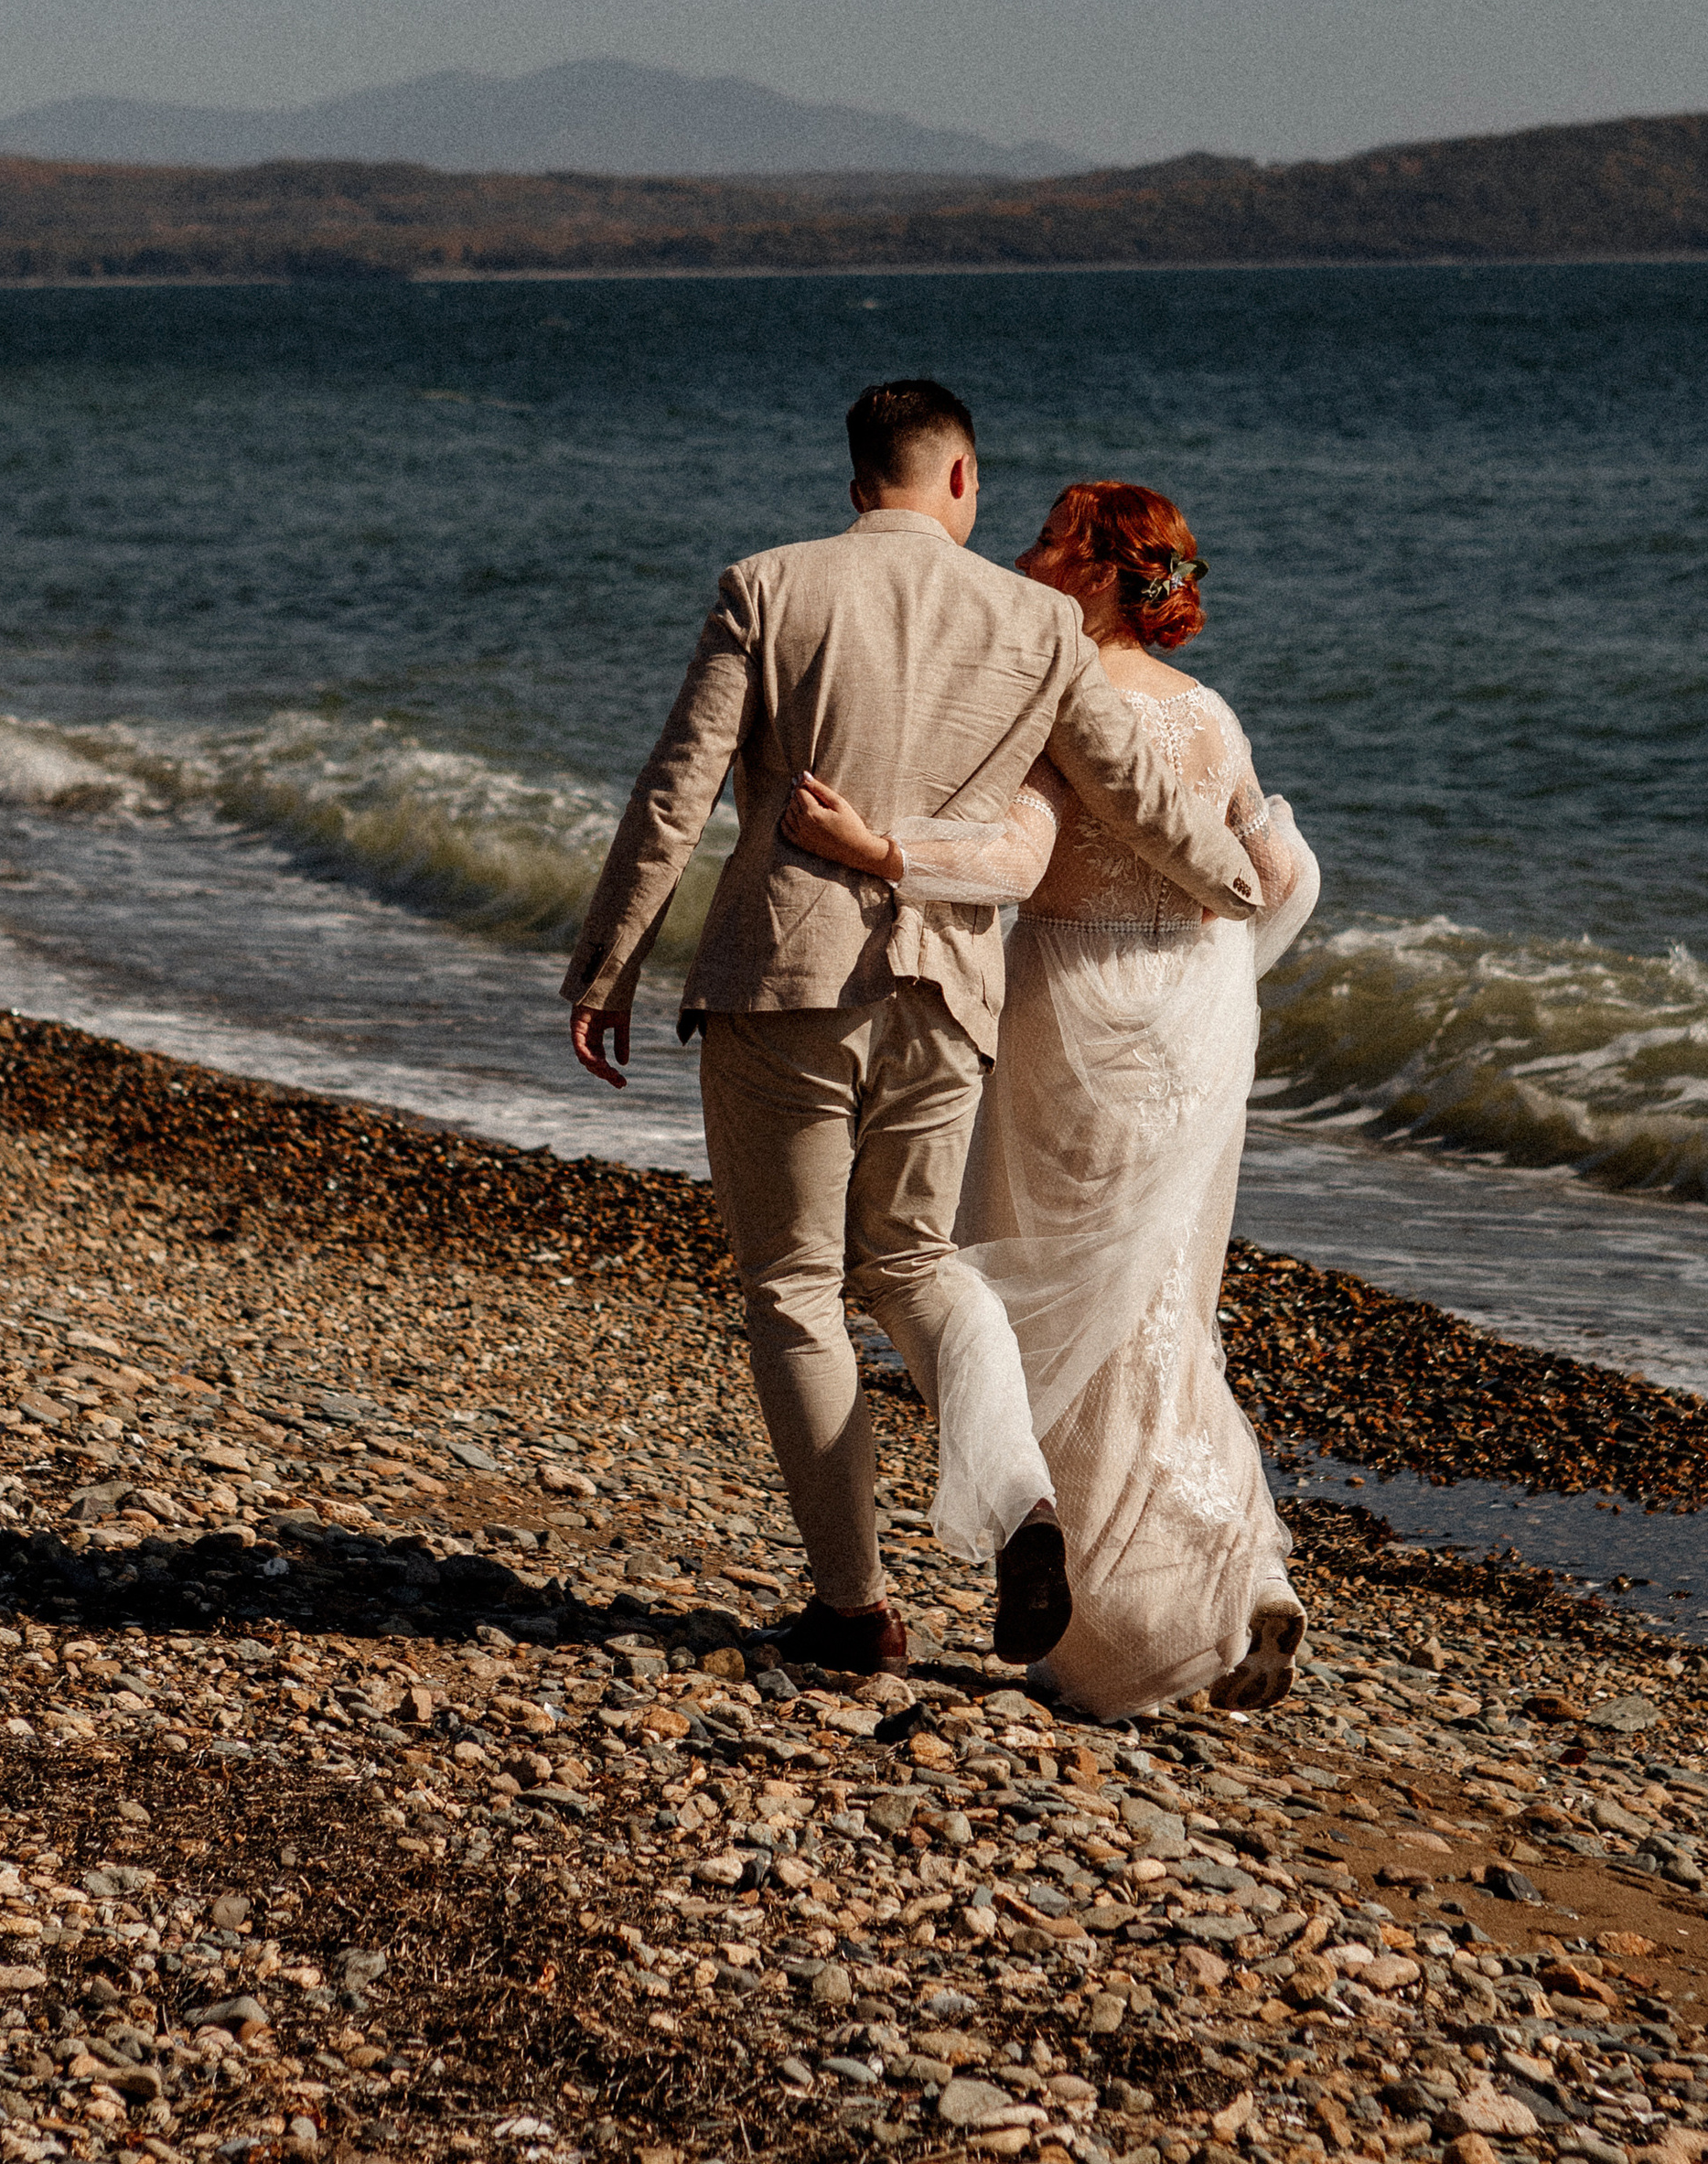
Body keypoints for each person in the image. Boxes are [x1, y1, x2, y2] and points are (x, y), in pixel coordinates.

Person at [562, 382, 1272, 1680]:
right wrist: (1239, 881)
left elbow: (678, 793)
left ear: (857, 484)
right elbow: (1135, 788)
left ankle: (856, 1607)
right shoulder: (1037, 622)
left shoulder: (766, 587)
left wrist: (608, 965)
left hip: (787, 979)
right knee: (920, 1266)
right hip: (946, 987)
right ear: (961, 483)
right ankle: (1022, 1511)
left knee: (793, 1291)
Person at [779, 477, 1319, 1720]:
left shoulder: (1059, 697)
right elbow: (1278, 869)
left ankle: (1118, 1637)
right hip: (1194, 1019)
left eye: (1048, 541)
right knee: (1162, 1302)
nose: (1023, 552)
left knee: (1057, 1302)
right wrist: (1217, 961)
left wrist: (882, 854)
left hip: (1076, 1013)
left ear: (1091, 572)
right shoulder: (1212, 717)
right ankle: (1247, 1574)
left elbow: (1018, 861)